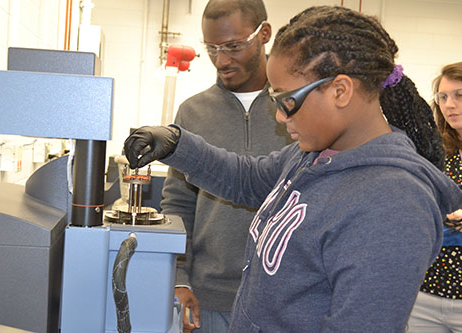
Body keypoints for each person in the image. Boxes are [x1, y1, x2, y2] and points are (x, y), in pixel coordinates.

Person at [125, 5, 462, 331]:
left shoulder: (392, 203)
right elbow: (247, 179)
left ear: (341, 90)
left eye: (288, 101)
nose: (280, 116)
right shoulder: (312, 156)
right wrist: (177, 145)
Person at [160, 0, 291, 332]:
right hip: (210, 300)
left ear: (264, 34)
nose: (222, 60)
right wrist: (179, 277)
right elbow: (177, 204)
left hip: (281, 300)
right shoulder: (193, 113)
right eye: (212, 48)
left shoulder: (296, 109)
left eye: (233, 46)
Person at [407, 62, 462, 332]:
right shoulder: (435, 152)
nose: (450, 104)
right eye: (443, 97)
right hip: (427, 293)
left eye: (459, 95)